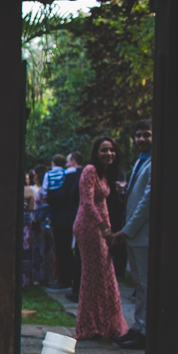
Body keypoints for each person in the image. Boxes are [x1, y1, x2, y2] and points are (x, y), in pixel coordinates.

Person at [73, 137, 128, 340]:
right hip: (89, 228)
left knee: (104, 276)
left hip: (100, 228)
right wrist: (104, 228)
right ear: (96, 152)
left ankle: (103, 324)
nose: (108, 154)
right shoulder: (89, 170)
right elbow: (87, 203)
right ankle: (88, 326)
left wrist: (109, 230)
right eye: (104, 150)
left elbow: (103, 206)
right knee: (93, 277)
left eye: (111, 150)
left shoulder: (104, 174)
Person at [112, 119, 153, 349]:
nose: (141, 139)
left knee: (145, 284)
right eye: (138, 135)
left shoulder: (155, 162)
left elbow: (147, 202)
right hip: (133, 235)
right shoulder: (140, 161)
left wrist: (127, 230)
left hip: (142, 234)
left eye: (146, 134)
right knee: (138, 283)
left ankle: (145, 331)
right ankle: (137, 327)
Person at [48, 151, 83, 290]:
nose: (67, 165)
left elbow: (64, 194)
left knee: (63, 249)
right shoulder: (82, 174)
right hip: (74, 216)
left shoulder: (72, 175)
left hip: (64, 218)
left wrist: (49, 198)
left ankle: (65, 279)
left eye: (68, 161)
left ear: (73, 161)